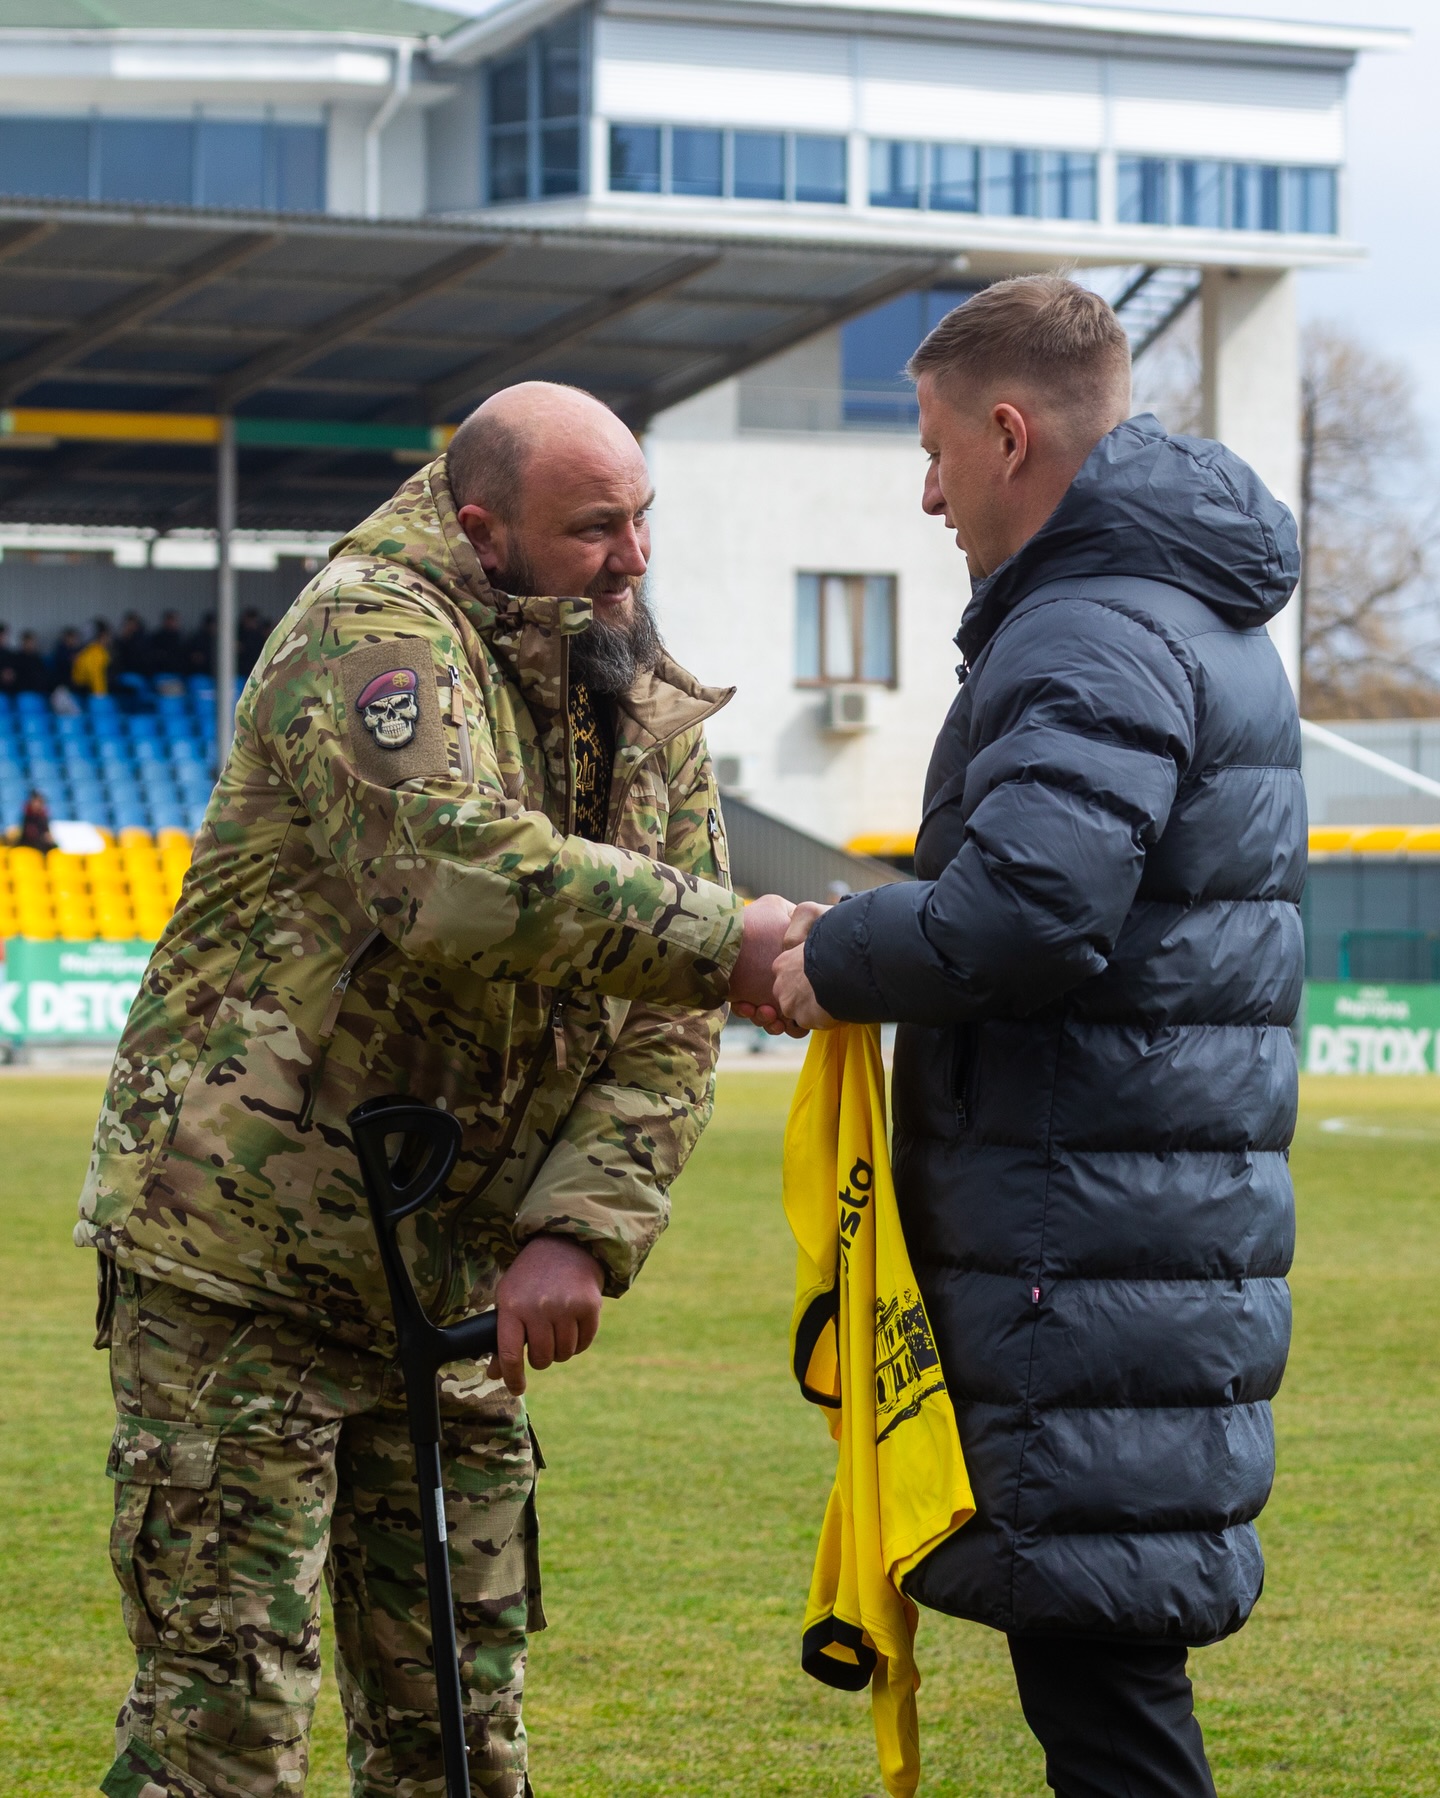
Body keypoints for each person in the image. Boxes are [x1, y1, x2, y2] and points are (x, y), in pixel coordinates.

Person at [77, 379, 793, 1798]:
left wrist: (580, 1226)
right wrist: (736, 940)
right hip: (243, 1276)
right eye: (594, 527)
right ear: (482, 528)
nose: (634, 556)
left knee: (460, 1742)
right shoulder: (368, 629)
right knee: (222, 1739)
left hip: (451, 1283)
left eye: (642, 517)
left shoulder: (638, 696)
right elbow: (449, 874)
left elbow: (667, 1023)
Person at [767, 277, 1303, 1797]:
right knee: (1101, 1678)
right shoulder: (1174, 608)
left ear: (1009, 435)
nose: (929, 493)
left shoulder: (1094, 625)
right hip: (1130, 1222)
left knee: (1107, 1696)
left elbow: (1030, 912)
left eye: (937, 452)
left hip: (1092, 1238)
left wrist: (831, 961)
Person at [69, 618, 111, 695]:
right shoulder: (96, 652)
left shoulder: (88, 651)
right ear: (102, 636)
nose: (108, 639)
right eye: (107, 636)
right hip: (87, 692)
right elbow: (96, 677)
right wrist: (101, 696)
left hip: (83, 691)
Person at [19, 787, 55, 852]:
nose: (37, 804)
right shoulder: (27, 816)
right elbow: (28, 834)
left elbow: (46, 833)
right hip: (28, 847)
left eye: (40, 802)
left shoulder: (43, 817)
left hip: (41, 846)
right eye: (36, 801)